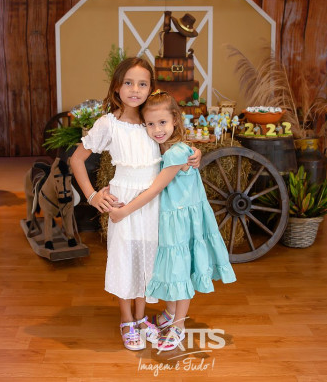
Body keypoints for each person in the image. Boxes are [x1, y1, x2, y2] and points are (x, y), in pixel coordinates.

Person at [70, 58, 201, 351]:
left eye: (142, 84)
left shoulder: (151, 120)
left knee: (147, 258)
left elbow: (176, 145)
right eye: (128, 83)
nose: (135, 89)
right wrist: (92, 196)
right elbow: (77, 159)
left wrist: (195, 153)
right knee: (125, 257)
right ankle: (126, 319)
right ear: (117, 86)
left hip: (154, 201)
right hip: (124, 200)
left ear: (151, 88)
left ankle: (142, 318)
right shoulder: (108, 124)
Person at [109, 90, 236, 351]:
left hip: (181, 219)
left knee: (180, 269)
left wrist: (124, 211)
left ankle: (179, 325)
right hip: (170, 217)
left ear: (175, 120)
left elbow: (155, 189)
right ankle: (169, 313)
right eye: (151, 124)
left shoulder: (177, 152)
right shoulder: (163, 147)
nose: (157, 129)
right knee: (172, 267)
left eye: (163, 122)